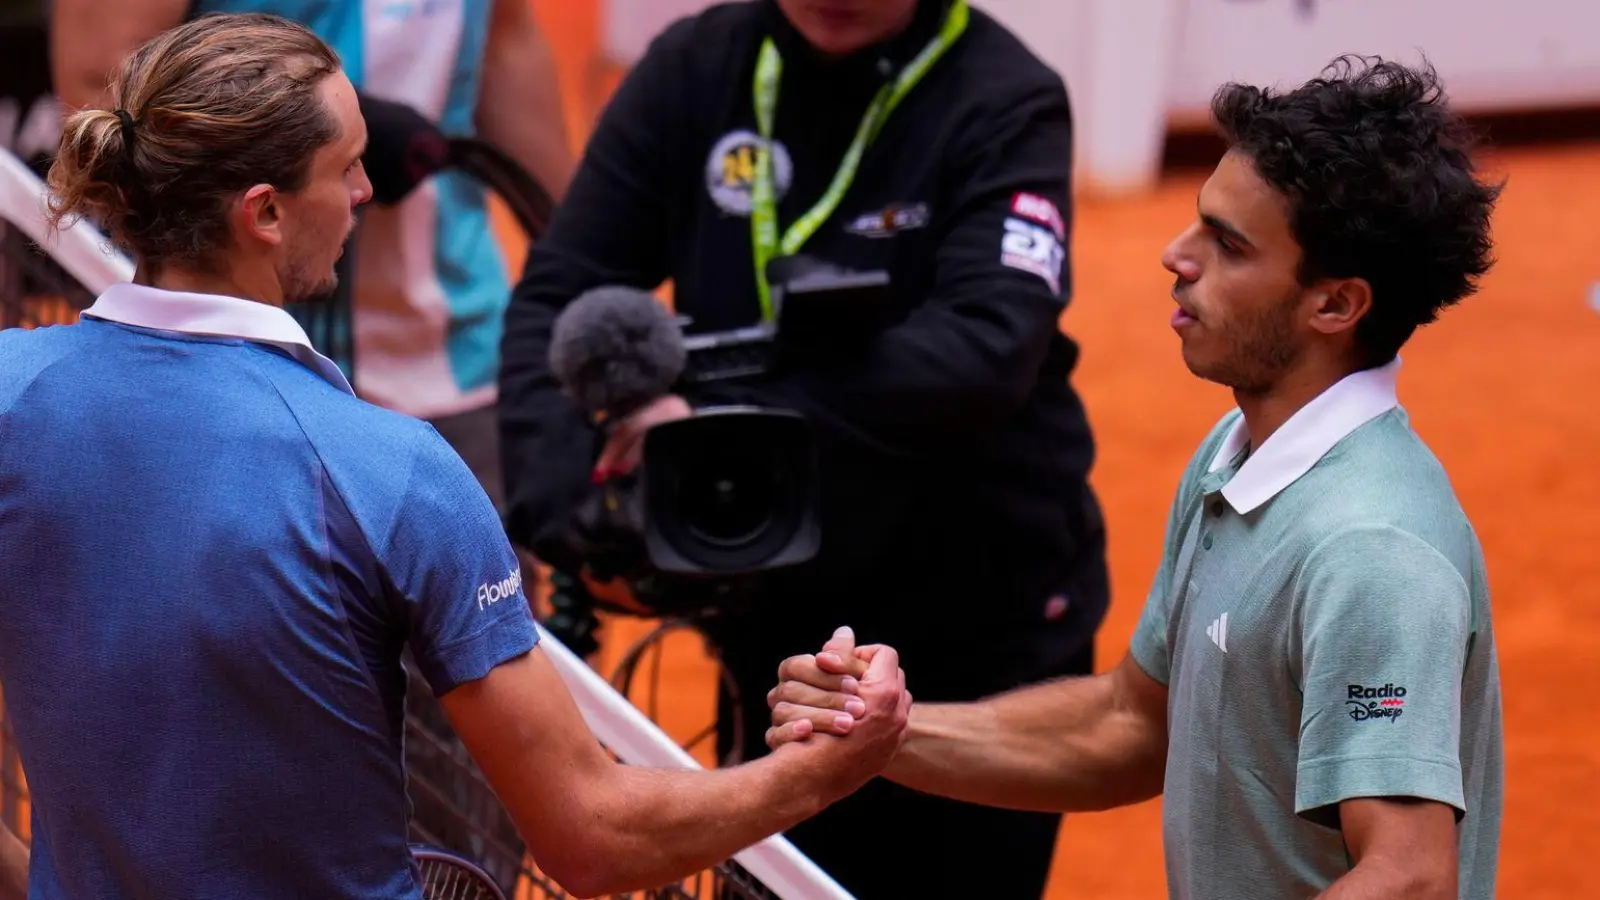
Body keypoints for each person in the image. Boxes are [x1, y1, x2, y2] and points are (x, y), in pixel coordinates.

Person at [0, 14, 908, 899]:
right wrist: (825, 769)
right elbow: (591, 840)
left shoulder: (8, 390)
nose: (365, 189)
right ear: (265, 213)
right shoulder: (391, 471)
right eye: (345, 166)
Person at [768, 55, 1506, 900]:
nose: (1175, 254)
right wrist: (880, 732)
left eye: (1227, 246)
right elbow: (1130, 726)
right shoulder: (1239, 454)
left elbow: (1407, 877)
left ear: (1335, 305)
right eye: (1200, 224)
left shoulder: (1371, 551)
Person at [499, 1, 1106, 895]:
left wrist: (710, 415)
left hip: (981, 618)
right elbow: (560, 299)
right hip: (777, 612)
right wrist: (581, 521)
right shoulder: (695, 67)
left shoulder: (1006, 97)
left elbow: (987, 346)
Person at [51, 0, 576, 512]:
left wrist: (581, 276)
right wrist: (306, 131)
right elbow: (100, 78)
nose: (363, 188)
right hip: (231, 379)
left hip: (456, 345)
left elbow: (506, 45)